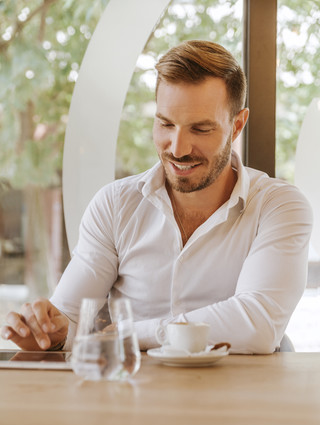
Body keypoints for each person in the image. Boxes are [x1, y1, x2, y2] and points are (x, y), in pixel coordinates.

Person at [1, 40, 313, 354]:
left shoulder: (279, 207)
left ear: (237, 125)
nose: (178, 148)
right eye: (166, 124)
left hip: (238, 396)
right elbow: (69, 317)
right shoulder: (115, 204)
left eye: (201, 129)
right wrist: (47, 332)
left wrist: (128, 335)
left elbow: (257, 325)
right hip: (132, 395)